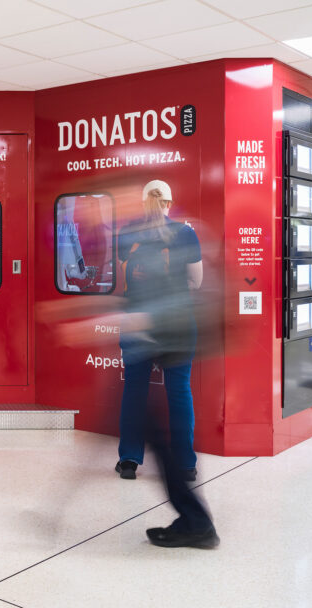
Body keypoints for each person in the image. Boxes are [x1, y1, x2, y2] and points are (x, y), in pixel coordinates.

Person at [113, 179, 216, 548]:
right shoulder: (185, 233)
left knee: (135, 390)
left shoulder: (128, 232)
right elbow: (198, 281)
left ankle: (129, 461)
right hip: (176, 323)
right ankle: (186, 463)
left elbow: (121, 276)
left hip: (137, 322)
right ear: (170, 201)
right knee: (178, 392)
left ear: (143, 203)